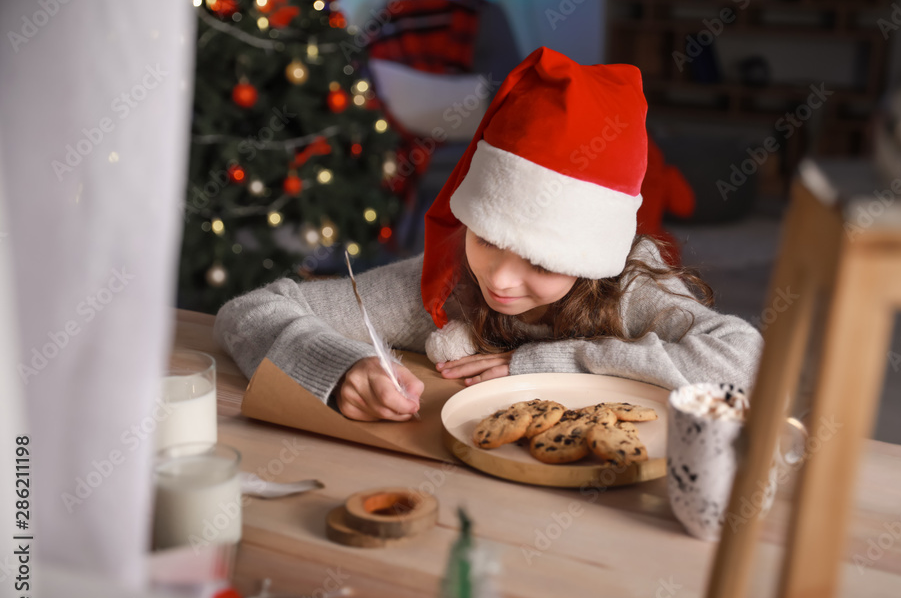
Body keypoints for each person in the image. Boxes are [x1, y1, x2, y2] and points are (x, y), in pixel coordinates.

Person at [214, 47, 763, 422]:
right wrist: (338, 366)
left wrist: (551, 364)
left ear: (592, 258)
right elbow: (250, 310)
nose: (499, 279)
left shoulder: (629, 289)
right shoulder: (449, 285)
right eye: (487, 238)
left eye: (541, 262)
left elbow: (744, 361)